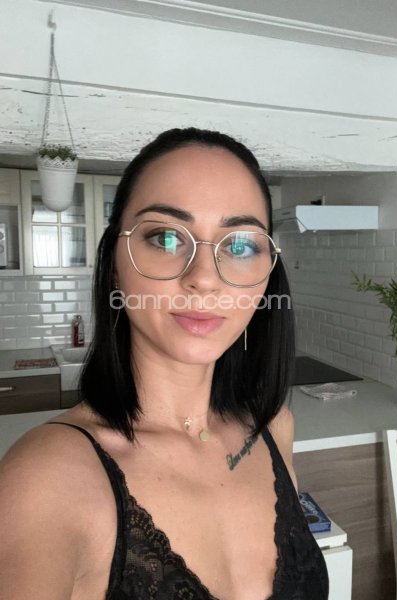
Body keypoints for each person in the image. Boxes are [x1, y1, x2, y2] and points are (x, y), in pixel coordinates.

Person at [0, 128, 329, 600]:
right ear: (115, 263)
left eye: (240, 245)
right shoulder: (47, 480)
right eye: (166, 236)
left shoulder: (274, 428)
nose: (204, 279)